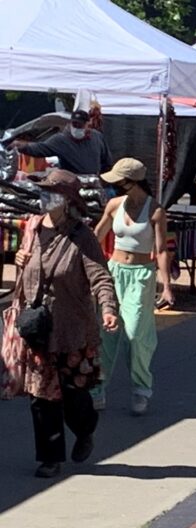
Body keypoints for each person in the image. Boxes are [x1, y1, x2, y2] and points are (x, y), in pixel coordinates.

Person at [11, 170, 119, 478]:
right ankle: (50, 457)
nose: (46, 199)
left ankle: (85, 430)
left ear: (68, 200)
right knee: (41, 397)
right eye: (42, 192)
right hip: (38, 327)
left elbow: (99, 276)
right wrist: (21, 259)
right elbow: (28, 269)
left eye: (52, 193)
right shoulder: (32, 227)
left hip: (71, 328)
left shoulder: (81, 235)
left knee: (74, 395)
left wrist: (108, 308)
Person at [92, 158, 173, 416]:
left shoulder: (156, 211)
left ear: (130, 182)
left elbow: (160, 250)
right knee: (107, 331)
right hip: (113, 272)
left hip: (141, 276)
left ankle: (141, 387)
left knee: (137, 333)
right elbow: (95, 237)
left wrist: (167, 285)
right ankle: (98, 386)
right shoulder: (115, 205)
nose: (113, 186)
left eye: (118, 181)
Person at [12, 109, 113, 175]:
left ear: (88, 124)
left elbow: (107, 161)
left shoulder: (97, 137)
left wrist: (103, 179)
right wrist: (20, 146)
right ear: (70, 123)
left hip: (94, 182)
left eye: (80, 125)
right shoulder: (60, 140)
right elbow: (39, 149)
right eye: (75, 124)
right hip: (71, 183)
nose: (77, 127)